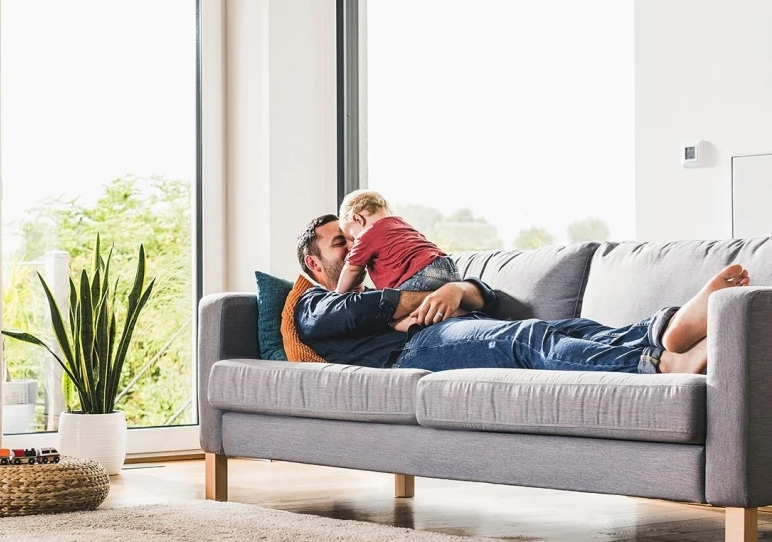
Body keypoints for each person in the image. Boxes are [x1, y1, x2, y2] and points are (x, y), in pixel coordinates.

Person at [295, 214, 750, 374]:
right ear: (315, 264)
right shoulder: (313, 303)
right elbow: (358, 312)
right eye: (341, 244)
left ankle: (667, 330)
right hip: (411, 350)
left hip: (455, 326)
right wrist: (424, 302)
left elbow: (486, 296)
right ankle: (663, 363)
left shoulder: (387, 275)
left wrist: (457, 288)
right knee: (527, 339)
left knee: (569, 328)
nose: (355, 247)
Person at [334, 190, 459, 294]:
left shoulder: (367, 235)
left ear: (358, 219)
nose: (352, 245)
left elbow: (352, 269)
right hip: (449, 268)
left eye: (352, 237)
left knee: (389, 309)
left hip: (423, 274)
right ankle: (459, 311)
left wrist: (337, 296)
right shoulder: (401, 224)